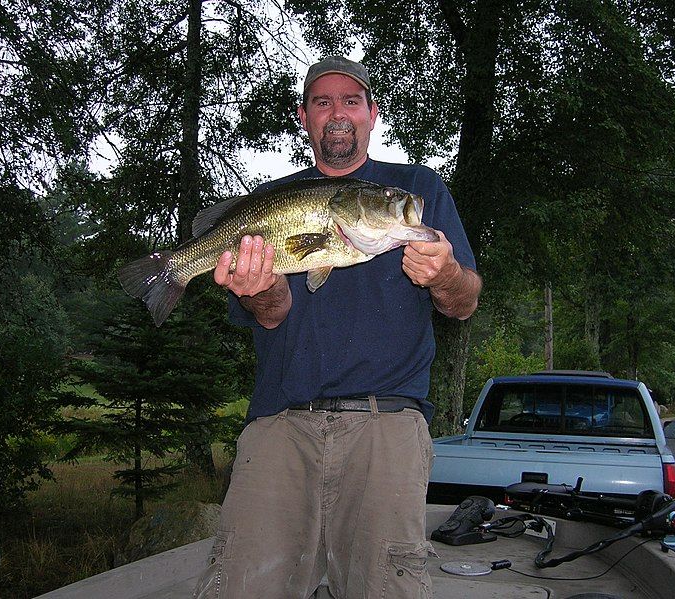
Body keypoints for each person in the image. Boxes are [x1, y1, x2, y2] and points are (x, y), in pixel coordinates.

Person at [194, 56, 482, 599]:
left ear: (372, 115)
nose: (337, 114)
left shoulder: (418, 189)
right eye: (322, 103)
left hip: (387, 425)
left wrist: (444, 275)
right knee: (238, 585)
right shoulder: (269, 203)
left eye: (351, 101)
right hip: (280, 422)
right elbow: (274, 314)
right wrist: (265, 291)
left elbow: (464, 303)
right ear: (305, 118)